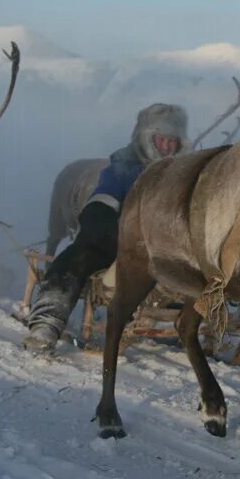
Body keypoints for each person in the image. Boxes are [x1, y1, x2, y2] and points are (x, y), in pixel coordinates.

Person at [23, 103, 189, 352]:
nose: (167, 147)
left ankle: (181, 324)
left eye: (172, 142)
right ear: (146, 139)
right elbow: (100, 206)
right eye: (161, 140)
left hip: (165, 250)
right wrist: (116, 231)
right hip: (118, 244)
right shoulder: (123, 169)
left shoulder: (182, 175)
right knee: (76, 259)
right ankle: (48, 320)